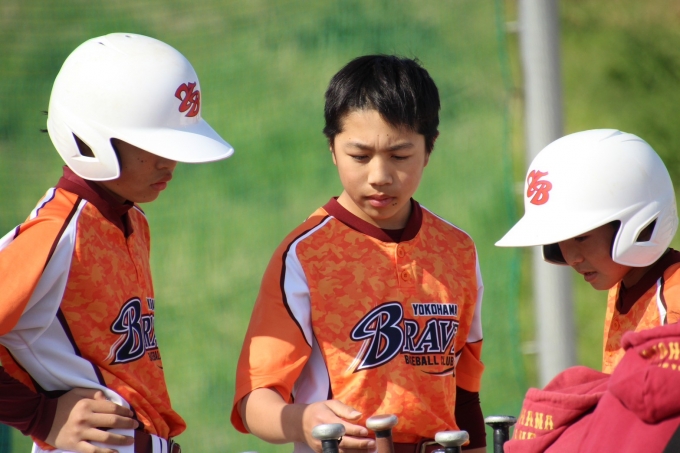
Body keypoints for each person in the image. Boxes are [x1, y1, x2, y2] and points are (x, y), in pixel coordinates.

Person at [231, 55, 486, 453]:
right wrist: (303, 420)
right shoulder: (305, 254)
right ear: (333, 149)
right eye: (360, 156)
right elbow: (255, 400)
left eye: (400, 156)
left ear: (429, 149)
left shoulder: (457, 250)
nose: (379, 176)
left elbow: (465, 394)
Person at [0, 33, 234, 453]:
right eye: (154, 145)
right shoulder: (56, 235)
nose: (170, 162)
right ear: (90, 138)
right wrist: (41, 417)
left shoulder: (133, 219)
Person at [496, 129, 679, 373]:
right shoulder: (624, 284)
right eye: (560, 241)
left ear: (639, 225)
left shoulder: (674, 299)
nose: (572, 258)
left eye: (581, 238)